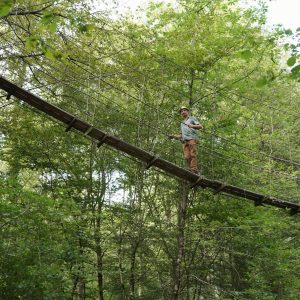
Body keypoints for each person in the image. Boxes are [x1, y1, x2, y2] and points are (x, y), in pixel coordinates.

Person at [168, 106, 203, 174]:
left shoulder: (192, 118)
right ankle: (190, 169)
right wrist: (173, 136)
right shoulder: (182, 123)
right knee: (187, 157)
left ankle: (194, 169)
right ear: (181, 114)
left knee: (193, 154)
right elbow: (181, 135)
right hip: (184, 141)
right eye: (181, 111)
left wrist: (192, 126)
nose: (183, 112)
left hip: (192, 138)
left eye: (184, 110)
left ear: (188, 112)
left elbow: (200, 126)